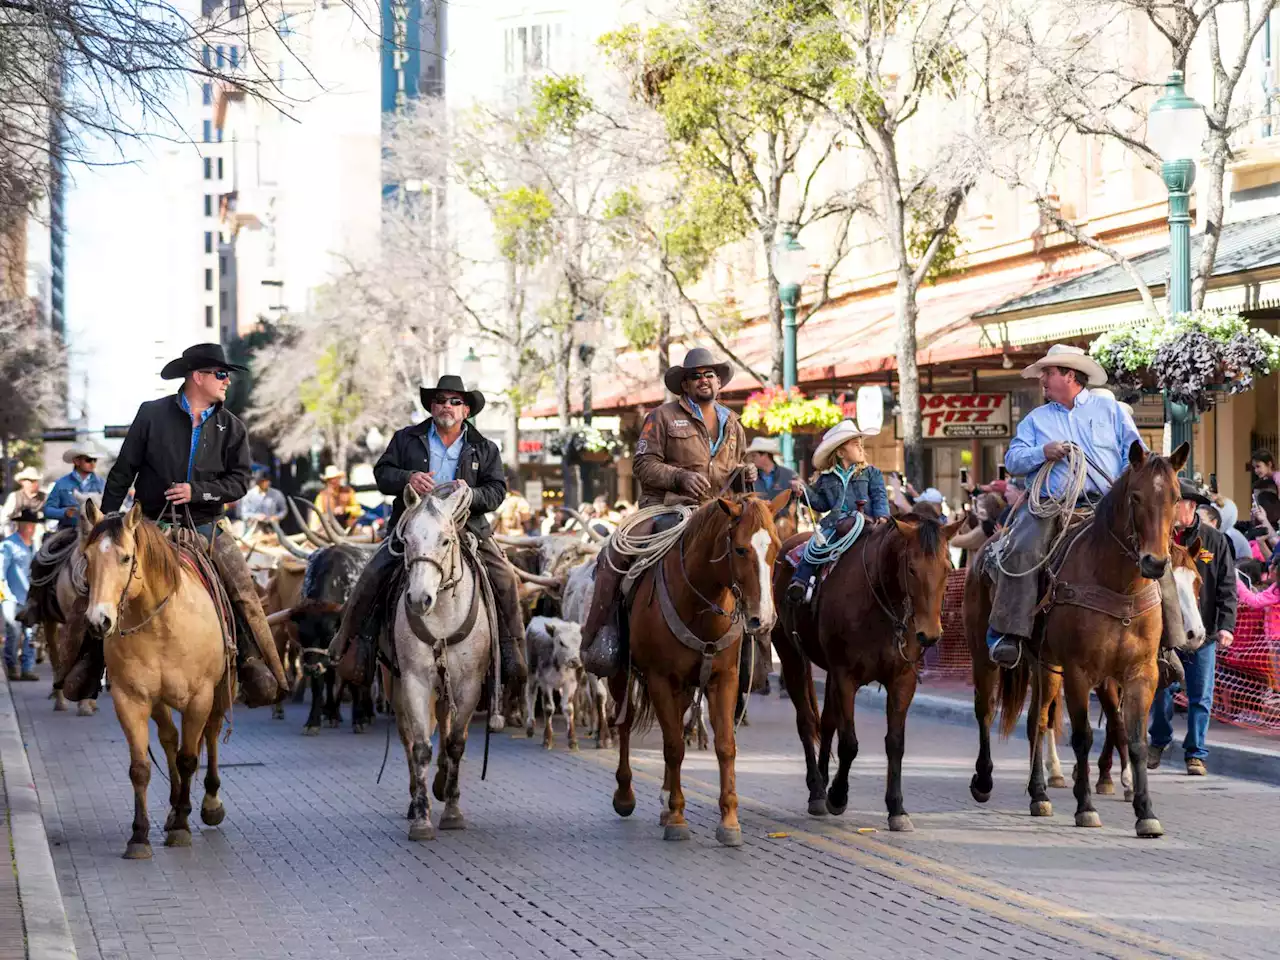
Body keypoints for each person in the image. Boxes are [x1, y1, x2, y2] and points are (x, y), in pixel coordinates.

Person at [61, 343, 289, 707]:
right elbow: (124, 470)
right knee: (97, 582)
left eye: (226, 375)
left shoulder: (233, 427)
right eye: (220, 374)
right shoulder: (152, 414)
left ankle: (258, 668)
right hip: (149, 525)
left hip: (206, 526)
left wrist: (198, 491)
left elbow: (239, 482)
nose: (226, 381)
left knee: (244, 592)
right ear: (197, 377)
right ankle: (83, 665)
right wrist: (103, 521)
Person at [331, 374, 526, 688]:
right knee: (373, 573)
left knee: (505, 576)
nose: (446, 406)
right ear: (431, 406)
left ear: (466, 410)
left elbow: (497, 491)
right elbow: (382, 474)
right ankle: (355, 644)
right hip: (414, 526)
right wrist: (409, 477)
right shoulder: (407, 438)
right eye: (440, 400)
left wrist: (472, 494)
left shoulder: (483, 447)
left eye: (454, 401)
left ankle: (511, 649)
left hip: (467, 527)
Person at [579, 346, 756, 676]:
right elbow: (643, 464)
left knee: (756, 559)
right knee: (616, 552)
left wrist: (745, 473)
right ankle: (599, 637)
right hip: (666, 510)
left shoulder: (732, 423)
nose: (704, 380)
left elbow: (735, 464)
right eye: (696, 376)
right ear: (685, 385)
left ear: (719, 382)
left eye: (710, 375)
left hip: (717, 515)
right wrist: (678, 477)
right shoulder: (661, 417)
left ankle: (752, 652)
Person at [985, 344, 1162, 669]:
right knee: (1022, 548)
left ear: (1069, 375)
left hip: (1107, 505)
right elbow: (1012, 460)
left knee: (1159, 550)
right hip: (1051, 505)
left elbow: (1136, 455)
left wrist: (1129, 485)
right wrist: (1043, 452)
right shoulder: (1036, 420)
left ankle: (1168, 644)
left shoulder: (1111, 411)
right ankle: (1009, 633)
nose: (1042, 380)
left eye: (1048, 373)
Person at [1148, 479, 1237, 776]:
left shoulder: (1214, 540)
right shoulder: (1159, 539)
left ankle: (1195, 753)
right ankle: (1158, 741)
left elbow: (1227, 587)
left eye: (1175, 502)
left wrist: (1226, 626)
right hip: (1165, 634)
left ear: (1189, 506)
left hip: (1204, 631)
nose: (1170, 508)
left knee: (1201, 695)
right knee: (1161, 692)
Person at [785, 419, 888, 603]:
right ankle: (799, 582)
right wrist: (803, 492)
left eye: (861, 444)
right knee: (814, 547)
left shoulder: (871, 473)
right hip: (835, 524)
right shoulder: (826, 478)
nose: (861, 448)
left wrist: (882, 515)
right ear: (840, 452)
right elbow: (821, 504)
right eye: (855, 445)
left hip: (866, 523)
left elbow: (879, 495)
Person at [1, 508, 39, 681]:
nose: (29, 527)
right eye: (26, 524)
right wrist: (5, 595)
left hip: (31, 598)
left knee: (31, 634)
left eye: (32, 524)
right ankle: (12, 666)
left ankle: (28, 668)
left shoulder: (36, 546)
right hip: (12, 598)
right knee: (14, 633)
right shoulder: (8, 545)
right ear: (19, 525)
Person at [44, 447, 105, 530]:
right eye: (88, 460)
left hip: (96, 532)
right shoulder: (61, 483)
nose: (93, 463)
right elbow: (48, 510)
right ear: (76, 461)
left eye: (95, 460)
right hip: (69, 530)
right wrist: (64, 512)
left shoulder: (102, 484)